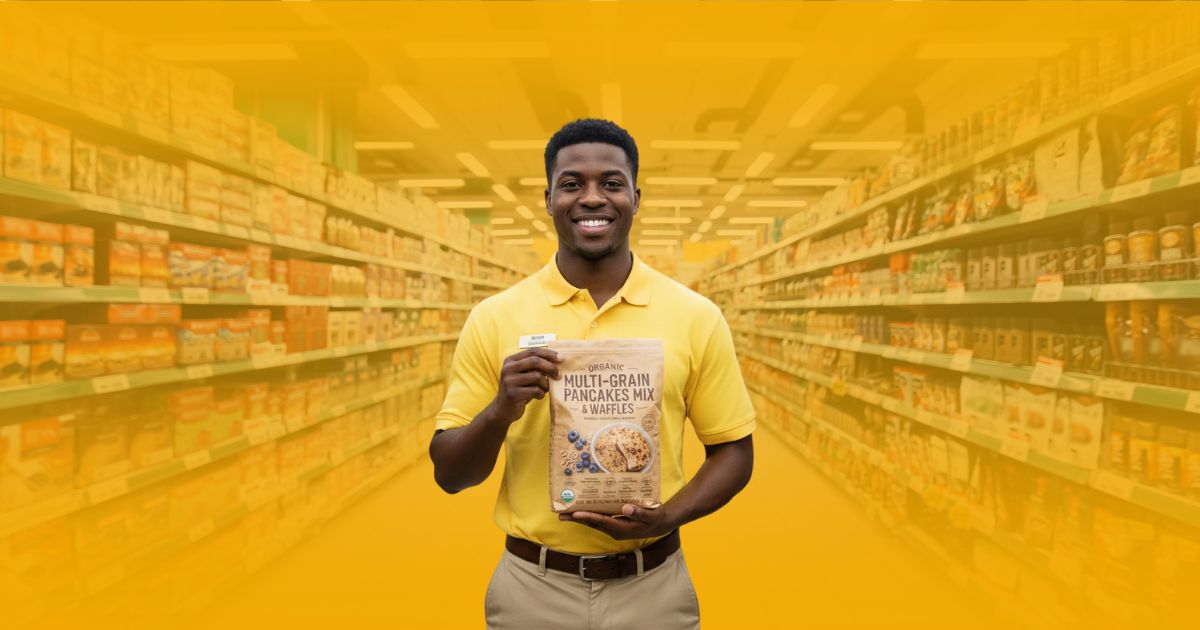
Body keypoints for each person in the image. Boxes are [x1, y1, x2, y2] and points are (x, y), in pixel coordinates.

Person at [430, 118, 755, 630]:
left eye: (611, 183)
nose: (592, 198)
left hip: (653, 586)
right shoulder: (496, 317)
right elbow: (450, 475)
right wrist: (500, 411)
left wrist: (668, 515)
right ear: (548, 198)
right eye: (572, 184)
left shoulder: (694, 315)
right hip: (532, 589)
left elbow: (734, 450)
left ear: (635, 197)